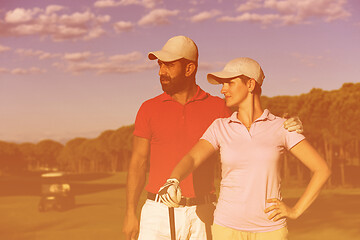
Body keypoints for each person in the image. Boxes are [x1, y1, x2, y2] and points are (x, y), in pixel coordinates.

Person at [122, 36, 303, 240]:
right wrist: (130, 212)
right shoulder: (149, 108)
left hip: (205, 212)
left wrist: (286, 123)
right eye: (160, 65)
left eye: (169, 65)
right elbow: (138, 162)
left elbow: (256, 125)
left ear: (189, 69)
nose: (161, 72)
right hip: (158, 213)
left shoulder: (218, 107)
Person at [158, 57, 331, 240]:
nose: (223, 89)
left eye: (229, 83)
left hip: (271, 230)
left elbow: (322, 170)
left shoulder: (282, 127)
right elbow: (192, 158)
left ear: (250, 84)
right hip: (226, 228)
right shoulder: (220, 126)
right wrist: (173, 179)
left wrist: (296, 210)